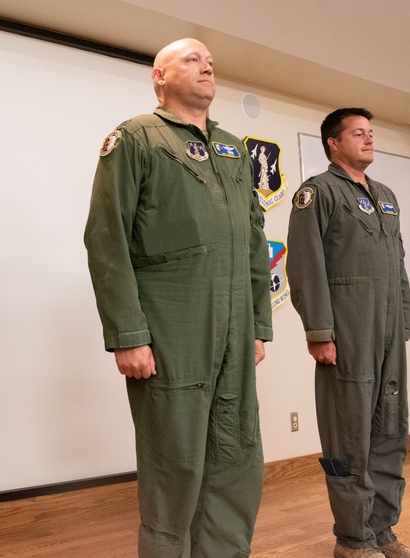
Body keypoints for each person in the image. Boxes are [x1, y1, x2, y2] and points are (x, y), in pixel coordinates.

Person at [84, 38, 273, 558]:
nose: (207, 65)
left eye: (210, 60)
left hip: (235, 330)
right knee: (176, 462)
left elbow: (254, 239)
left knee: (236, 455)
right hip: (172, 330)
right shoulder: (137, 138)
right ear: (159, 77)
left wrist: (258, 322)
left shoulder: (233, 148)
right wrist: (128, 335)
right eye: (192, 59)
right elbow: (106, 238)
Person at [286, 108, 410, 558]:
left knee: (389, 433)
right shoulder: (318, 193)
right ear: (333, 142)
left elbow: (398, 263)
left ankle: (382, 532)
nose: (369, 140)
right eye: (358, 133)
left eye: (371, 133)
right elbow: (305, 266)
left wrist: (402, 317)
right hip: (348, 334)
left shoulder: (385, 195)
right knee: (350, 439)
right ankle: (352, 539)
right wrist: (320, 331)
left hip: (388, 336)